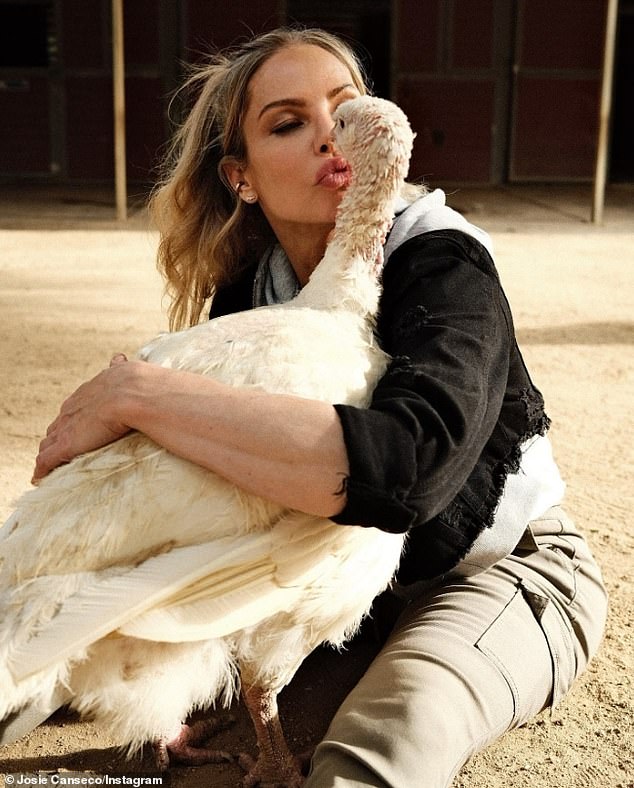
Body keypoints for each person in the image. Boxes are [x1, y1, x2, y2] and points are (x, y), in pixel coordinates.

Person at [33, 27, 607, 788]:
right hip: (327, 584)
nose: (331, 139)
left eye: (344, 110)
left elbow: (413, 469)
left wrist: (141, 391)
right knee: (57, 662)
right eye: (288, 122)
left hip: (488, 569)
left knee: (370, 758)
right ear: (241, 178)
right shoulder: (255, 292)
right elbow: (217, 491)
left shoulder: (441, 259)